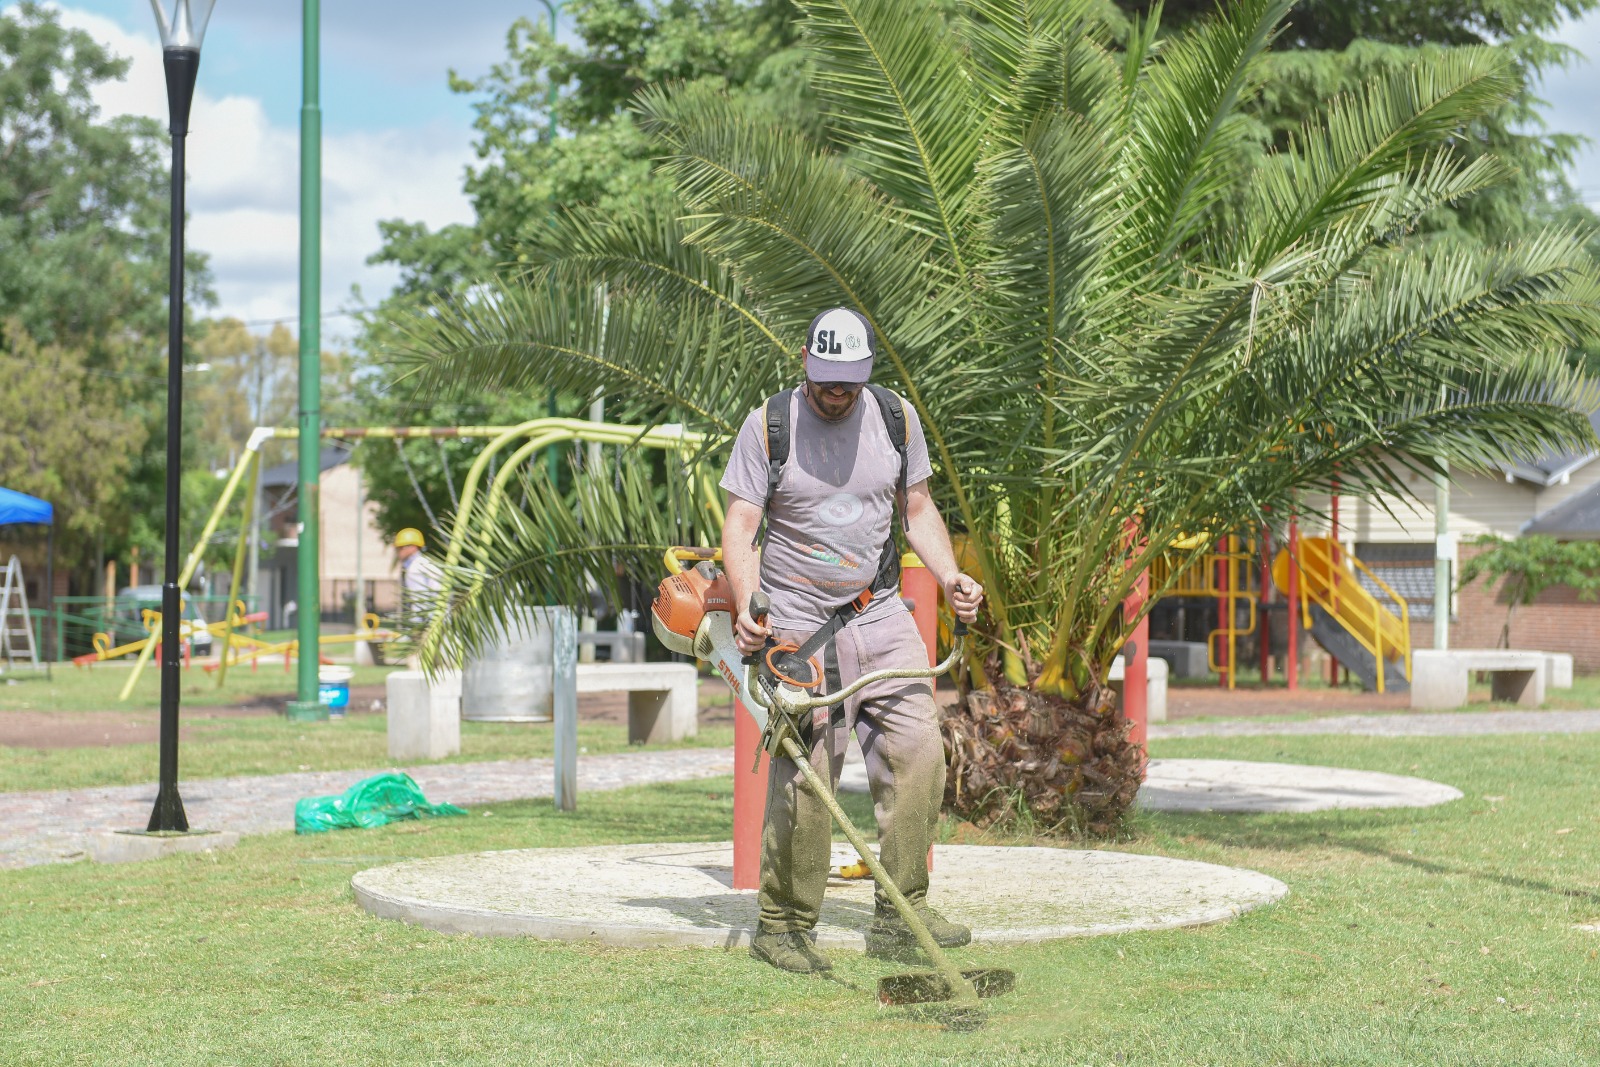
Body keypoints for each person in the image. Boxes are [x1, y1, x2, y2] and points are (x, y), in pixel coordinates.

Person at [720, 306, 985, 975]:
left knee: (921, 750)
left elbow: (917, 507)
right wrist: (752, 603)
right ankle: (782, 923)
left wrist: (951, 575)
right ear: (805, 359)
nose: (838, 392)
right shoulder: (769, 425)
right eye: (828, 379)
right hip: (798, 621)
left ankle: (903, 913)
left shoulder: (895, 417)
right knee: (809, 775)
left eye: (851, 381)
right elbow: (742, 520)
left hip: (880, 609)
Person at [394, 527, 441, 625]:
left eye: (401, 547)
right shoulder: (424, 563)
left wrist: (414, 629)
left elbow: (420, 604)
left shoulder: (414, 569)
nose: (398, 551)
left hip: (433, 623)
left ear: (413, 547)